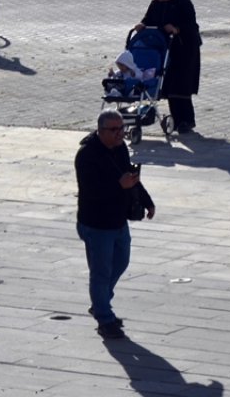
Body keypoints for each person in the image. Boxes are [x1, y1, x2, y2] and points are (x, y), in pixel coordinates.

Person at [75, 110, 155, 340]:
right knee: (101, 272)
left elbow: (130, 178)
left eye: (122, 128)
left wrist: (147, 201)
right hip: (96, 224)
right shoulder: (87, 155)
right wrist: (119, 185)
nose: (120, 133)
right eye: (114, 130)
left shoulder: (119, 149)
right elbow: (91, 192)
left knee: (121, 262)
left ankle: (100, 303)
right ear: (100, 131)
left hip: (118, 220)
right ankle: (104, 317)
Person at [135, 0, 202, 134]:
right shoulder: (156, 3)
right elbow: (148, 19)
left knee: (183, 84)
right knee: (170, 84)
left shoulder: (182, 0)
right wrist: (141, 25)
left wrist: (176, 28)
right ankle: (177, 120)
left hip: (186, 47)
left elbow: (191, 24)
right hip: (166, 50)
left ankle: (187, 120)